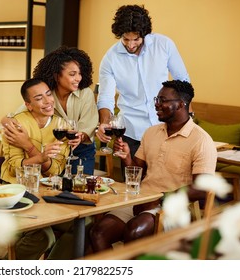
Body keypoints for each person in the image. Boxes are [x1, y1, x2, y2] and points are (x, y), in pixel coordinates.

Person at [89, 80, 217, 253]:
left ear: (181, 104)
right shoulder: (151, 133)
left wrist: (160, 199)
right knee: (98, 232)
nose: (156, 104)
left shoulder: (201, 140)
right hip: (141, 199)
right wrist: (127, 157)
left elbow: (202, 188)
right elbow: (137, 172)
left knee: (134, 232)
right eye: (157, 99)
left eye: (162, 100)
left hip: (174, 206)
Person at [96, 5, 190, 163]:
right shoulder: (110, 58)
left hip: (166, 128)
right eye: (126, 39)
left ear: (145, 34)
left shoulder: (164, 45)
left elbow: (183, 82)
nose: (130, 45)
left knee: (164, 183)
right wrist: (105, 122)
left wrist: (188, 119)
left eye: (136, 39)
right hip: (132, 132)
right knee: (133, 182)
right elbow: (105, 97)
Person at [0, 78, 71, 260]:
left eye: (48, 94)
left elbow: (55, 170)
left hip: (47, 192)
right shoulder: (16, 125)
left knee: (84, 222)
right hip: (15, 191)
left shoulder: (62, 126)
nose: (48, 101)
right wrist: (41, 156)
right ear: (28, 105)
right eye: (39, 98)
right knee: (42, 235)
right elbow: (16, 165)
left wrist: (33, 151)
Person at [2, 46, 99, 175]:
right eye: (72, 74)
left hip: (80, 150)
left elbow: (89, 124)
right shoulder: (47, 94)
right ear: (56, 75)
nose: (78, 78)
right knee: (56, 188)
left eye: (80, 73)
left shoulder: (85, 94)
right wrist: (7, 121)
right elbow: (17, 114)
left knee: (81, 188)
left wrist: (80, 136)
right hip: (55, 150)